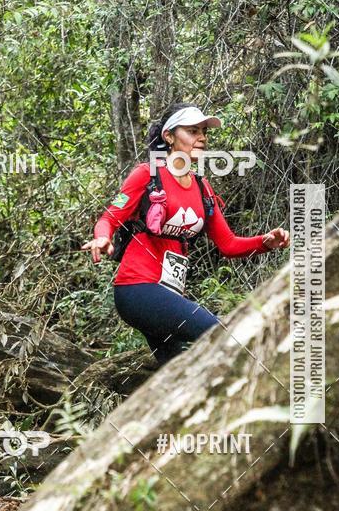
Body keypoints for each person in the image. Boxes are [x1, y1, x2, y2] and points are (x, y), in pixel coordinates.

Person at [82, 102, 290, 365]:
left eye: (204, 131)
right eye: (192, 131)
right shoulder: (147, 175)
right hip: (137, 289)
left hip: (168, 294)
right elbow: (109, 217)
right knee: (222, 332)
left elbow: (227, 244)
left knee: (179, 370)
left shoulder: (202, 187)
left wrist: (266, 242)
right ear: (169, 136)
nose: (201, 137)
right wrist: (103, 237)